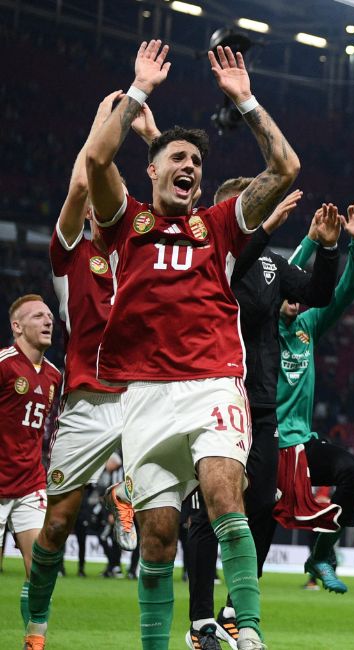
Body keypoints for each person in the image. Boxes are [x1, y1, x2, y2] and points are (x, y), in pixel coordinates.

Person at [82, 40, 301, 650]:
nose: (190, 167)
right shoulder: (126, 221)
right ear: (151, 169)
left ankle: (248, 632)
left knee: (223, 487)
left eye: (197, 163)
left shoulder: (222, 224)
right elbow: (98, 159)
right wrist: (138, 91)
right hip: (145, 392)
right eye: (177, 158)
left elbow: (285, 168)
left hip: (213, 380)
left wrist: (247, 101)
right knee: (157, 535)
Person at [181, 180, 340, 650]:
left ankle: (235, 609)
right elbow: (238, 271)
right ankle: (201, 621)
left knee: (262, 504)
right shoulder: (208, 251)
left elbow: (318, 293)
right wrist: (268, 228)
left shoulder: (270, 263)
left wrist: (328, 250)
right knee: (211, 511)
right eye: (254, 204)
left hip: (262, 401)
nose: (262, 209)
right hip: (215, 394)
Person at [23, 90, 147, 650]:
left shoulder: (140, 247)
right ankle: (37, 627)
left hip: (147, 393)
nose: (101, 204)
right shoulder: (71, 256)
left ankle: (131, 489)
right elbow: (81, 183)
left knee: (178, 513)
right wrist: (105, 120)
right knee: (55, 526)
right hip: (89, 398)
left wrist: (145, 132)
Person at [274, 202, 354, 592]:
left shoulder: (307, 324)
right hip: (263, 442)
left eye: (302, 290)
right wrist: (310, 239)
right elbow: (278, 282)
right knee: (260, 526)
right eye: (290, 288)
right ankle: (234, 611)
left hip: (300, 442)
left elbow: (347, 290)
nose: (297, 296)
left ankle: (321, 553)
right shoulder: (255, 324)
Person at [2, 295, 60, 640]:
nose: (48, 321)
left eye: (50, 315)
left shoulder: (54, 375)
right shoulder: (4, 364)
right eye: (38, 316)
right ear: (17, 326)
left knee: (39, 569)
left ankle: (34, 641)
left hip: (30, 484)